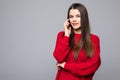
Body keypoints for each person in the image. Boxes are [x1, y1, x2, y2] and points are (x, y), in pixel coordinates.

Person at [53, 3, 101, 80]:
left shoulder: (94, 39)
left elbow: (92, 66)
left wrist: (66, 65)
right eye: (71, 16)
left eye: (78, 16)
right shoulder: (62, 35)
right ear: (68, 19)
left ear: (84, 18)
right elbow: (59, 58)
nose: (74, 20)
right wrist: (67, 35)